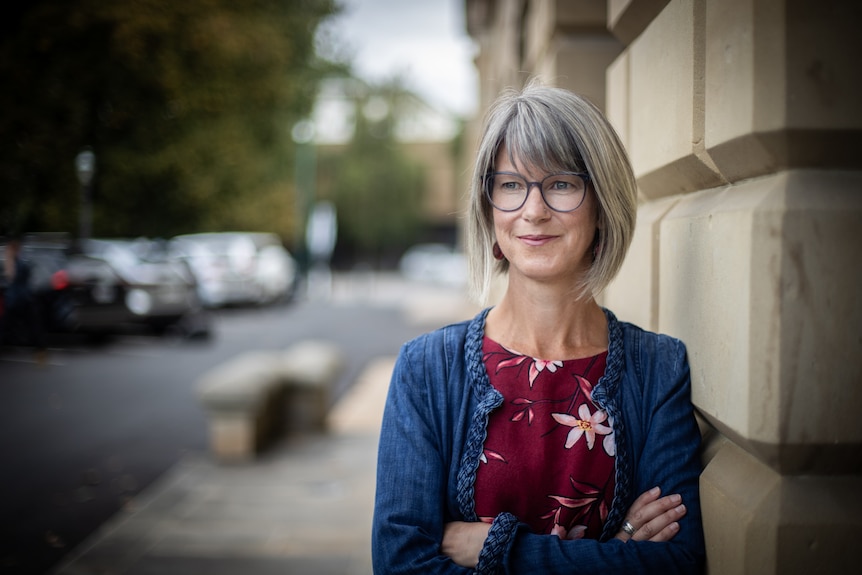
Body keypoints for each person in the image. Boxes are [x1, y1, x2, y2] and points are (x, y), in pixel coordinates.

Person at [372, 82, 705, 574]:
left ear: (602, 205)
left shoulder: (658, 368)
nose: (533, 210)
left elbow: (676, 563)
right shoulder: (426, 369)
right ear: (489, 210)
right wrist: (618, 547)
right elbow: (402, 566)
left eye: (561, 184)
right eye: (510, 185)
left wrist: (499, 551)